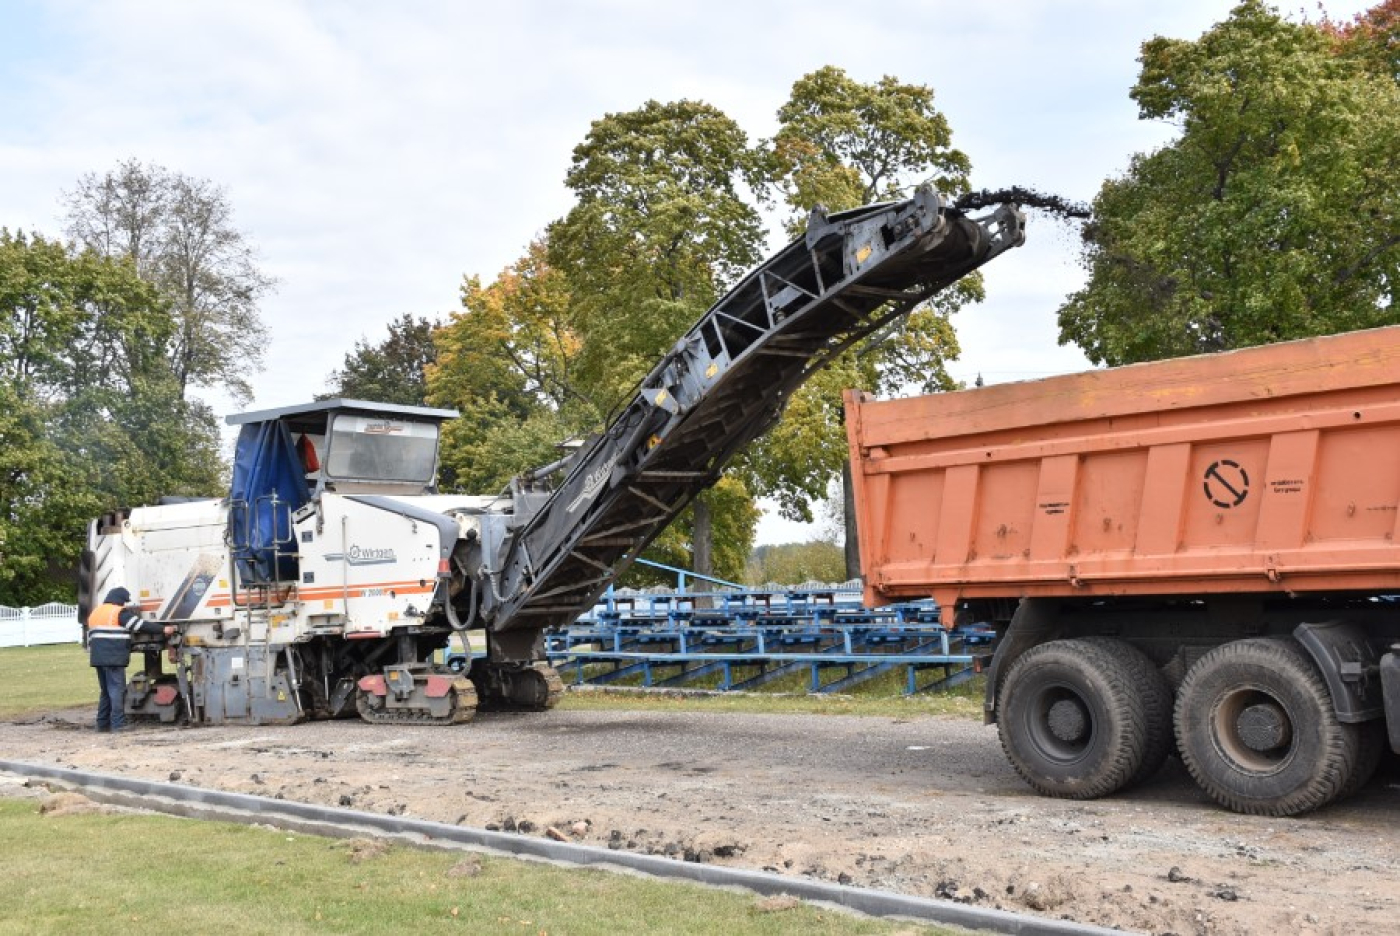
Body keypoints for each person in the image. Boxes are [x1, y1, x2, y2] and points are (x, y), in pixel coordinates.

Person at [85, 587, 175, 733]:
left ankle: (102, 724)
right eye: (124, 602)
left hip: (98, 658)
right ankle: (118, 725)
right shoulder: (118, 612)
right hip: (113, 658)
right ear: (120, 600)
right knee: (117, 690)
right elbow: (139, 625)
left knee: (105, 691)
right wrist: (163, 630)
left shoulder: (96, 612)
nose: (125, 605)